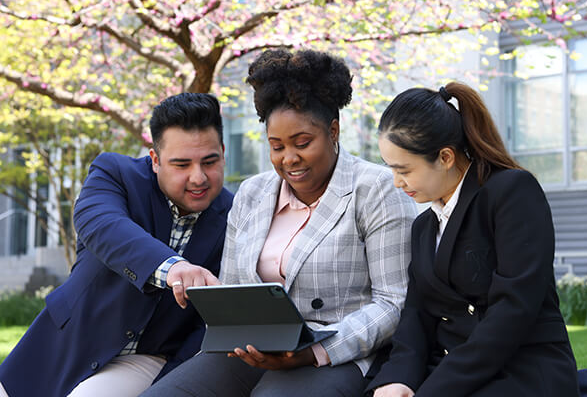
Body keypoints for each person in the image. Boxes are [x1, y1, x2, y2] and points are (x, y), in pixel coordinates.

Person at [141, 49, 417, 397]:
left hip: (336, 351)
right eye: (276, 146)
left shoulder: (375, 189)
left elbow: (394, 303)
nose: (289, 158)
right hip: (250, 350)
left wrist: (312, 352)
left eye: (303, 143)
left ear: (334, 130)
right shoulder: (252, 194)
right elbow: (234, 292)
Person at [0, 93, 234, 397]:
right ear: (155, 160)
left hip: (148, 358)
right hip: (63, 345)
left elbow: (215, 320)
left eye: (210, 161)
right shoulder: (115, 174)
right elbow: (101, 224)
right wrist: (174, 268)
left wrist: (173, 380)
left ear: (224, 153)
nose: (198, 177)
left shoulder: (238, 215)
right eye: (181, 164)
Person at [367, 82, 579, 396]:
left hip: (520, 367)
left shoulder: (511, 192)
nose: (397, 183)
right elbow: (416, 314)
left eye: (404, 170)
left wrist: (434, 391)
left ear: (445, 157)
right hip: (450, 369)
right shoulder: (424, 226)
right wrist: (398, 379)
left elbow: (513, 310)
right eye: (391, 170)